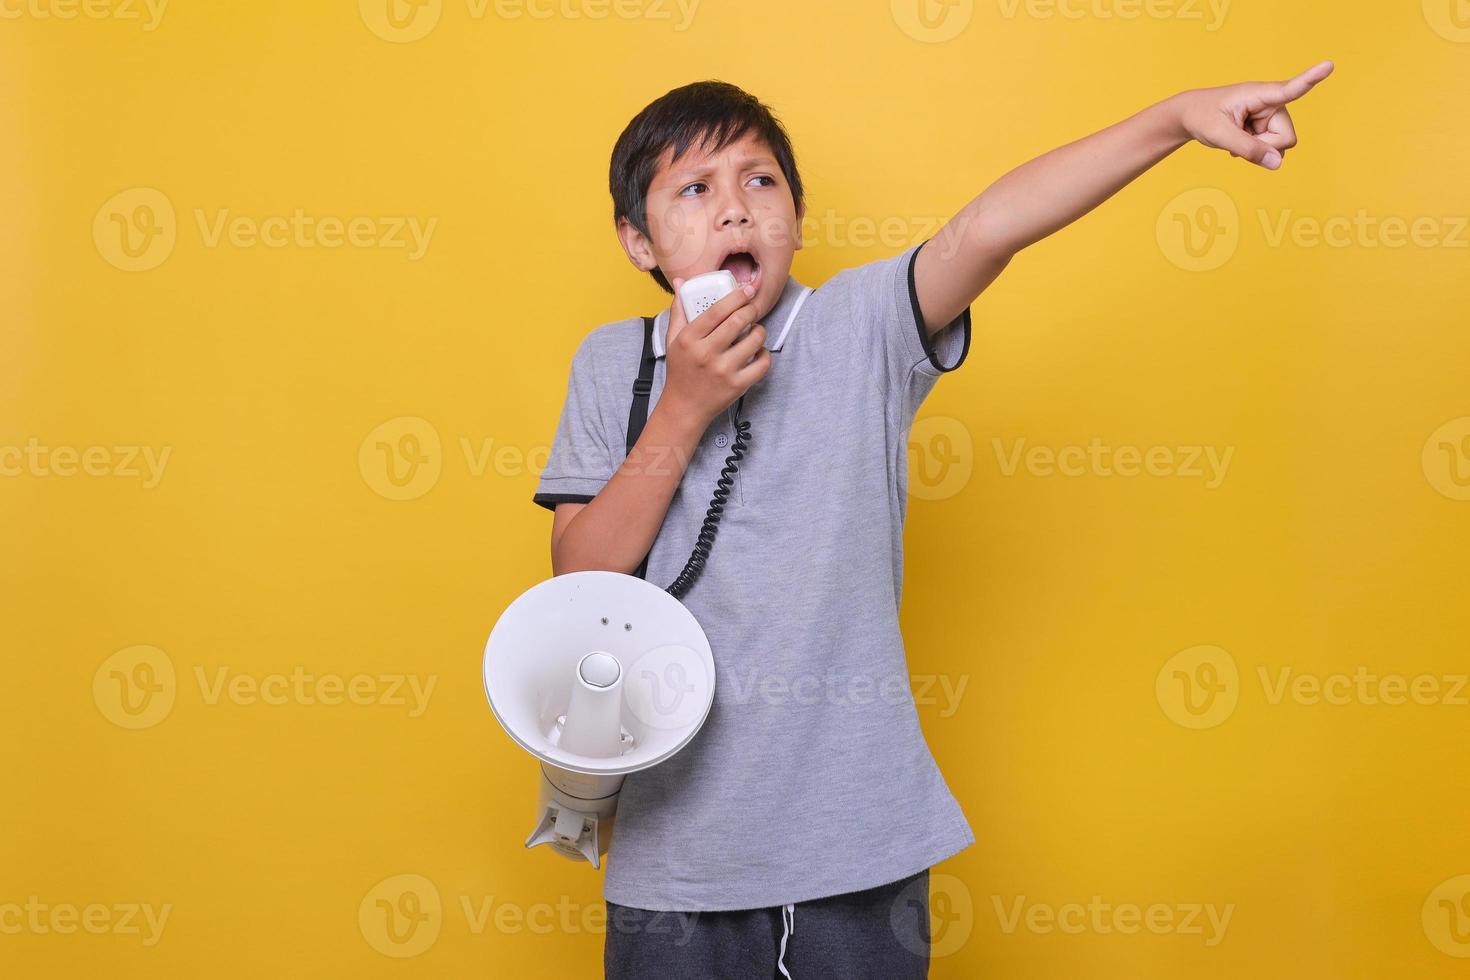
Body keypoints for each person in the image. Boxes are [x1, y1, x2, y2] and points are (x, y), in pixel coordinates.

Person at [532, 66, 1333, 979]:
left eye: (760, 181)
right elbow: (581, 578)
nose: (735, 211)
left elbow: (991, 225)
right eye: (694, 189)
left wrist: (1177, 119)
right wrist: (682, 407)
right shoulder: (611, 366)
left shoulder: (858, 329)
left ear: (797, 212)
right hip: (674, 862)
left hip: (857, 848)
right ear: (638, 241)